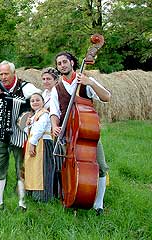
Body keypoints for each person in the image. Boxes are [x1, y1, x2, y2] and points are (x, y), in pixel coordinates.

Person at [49, 52, 111, 215]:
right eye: (59, 63)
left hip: (86, 135)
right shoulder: (56, 89)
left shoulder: (85, 81)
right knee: (68, 168)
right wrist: (55, 125)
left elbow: (106, 97)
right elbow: (54, 112)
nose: (62, 65)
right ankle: (72, 198)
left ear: (72, 63)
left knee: (101, 167)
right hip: (68, 135)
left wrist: (90, 82)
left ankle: (98, 205)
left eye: (65, 62)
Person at [0, 60, 40, 209]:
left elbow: (41, 102)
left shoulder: (27, 88)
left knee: (21, 167)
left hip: (21, 135)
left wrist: (30, 117)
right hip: (3, 133)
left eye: (6, 74)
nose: (3, 77)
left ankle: (23, 203)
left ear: (14, 74)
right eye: (1, 74)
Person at [23, 93, 53, 204]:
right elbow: (29, 131)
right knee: (33, 169)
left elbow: (40, 130)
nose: (35, 102)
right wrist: (28, 125)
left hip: (42, 143)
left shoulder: (44, 114)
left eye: (37, 100)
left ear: (43, 101)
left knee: (42, 169)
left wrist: (32, 143)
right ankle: (32, 192)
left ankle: (42, 196)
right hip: (35, 142)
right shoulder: (35, 115)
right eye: (32, 101)